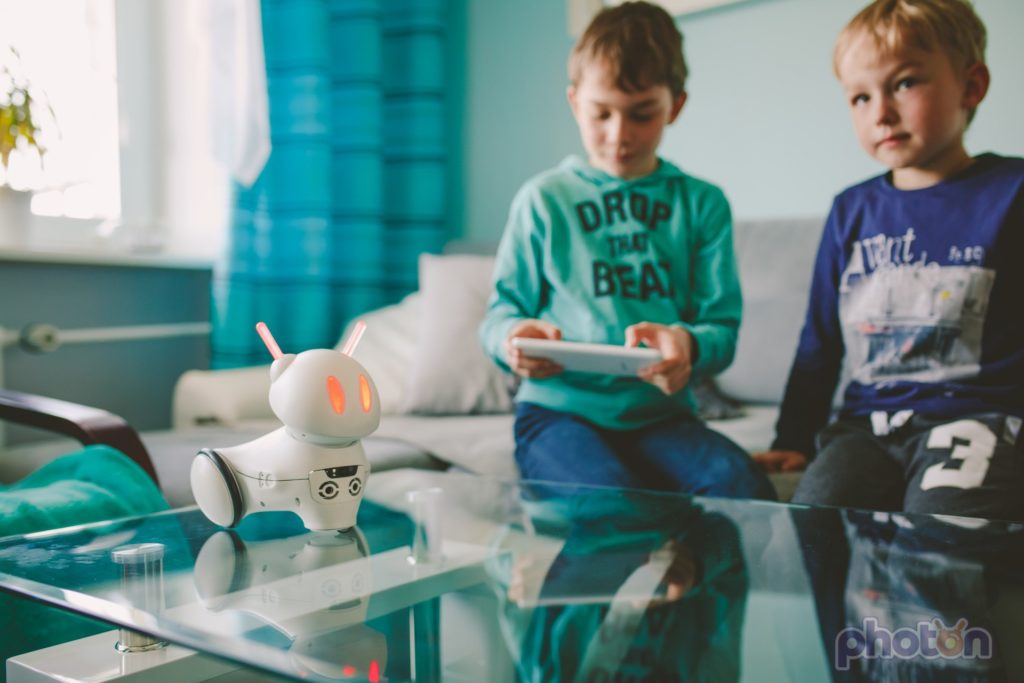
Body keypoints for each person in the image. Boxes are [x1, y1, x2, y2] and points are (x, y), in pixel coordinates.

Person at [478, 1, 774, 500]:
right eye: (601, 113)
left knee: (743, 490)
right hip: (557, 414)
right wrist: (512, 339)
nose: (619, 135)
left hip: (663, 417)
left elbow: (722, 330)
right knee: (608, 505)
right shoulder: (543, 200)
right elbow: (499, 314)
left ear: (675, 106)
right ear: (575, 102)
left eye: (642, 114)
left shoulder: (702, 204)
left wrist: (688, 345)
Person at [754, 0, 1024, 520]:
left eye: (904, 84)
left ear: (971, 86)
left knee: (938, 532)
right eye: (860, 97)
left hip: (976, 421)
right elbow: (819, 343)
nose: (880, 112)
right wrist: (793, 438)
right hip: (866, 429)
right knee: (815, 519)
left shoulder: (1011, 193)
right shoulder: (850, 210)